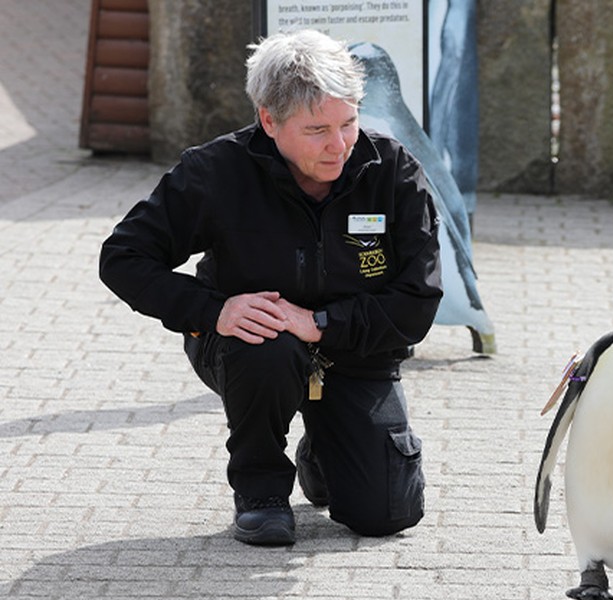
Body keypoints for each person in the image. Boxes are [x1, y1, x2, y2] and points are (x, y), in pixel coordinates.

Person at [99, 30, 442, 546]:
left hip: (355, 348)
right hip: (251, 348)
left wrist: (320, 323)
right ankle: (260, 493)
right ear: (269, 121)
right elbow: (123, 257)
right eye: (317, 130)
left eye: (348, 123)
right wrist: (213, 311)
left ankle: (323, 450)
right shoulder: (215, 171)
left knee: (386, 513)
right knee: (266, 344)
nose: (339, 145)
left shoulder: (392, 172)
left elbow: (418, 299)